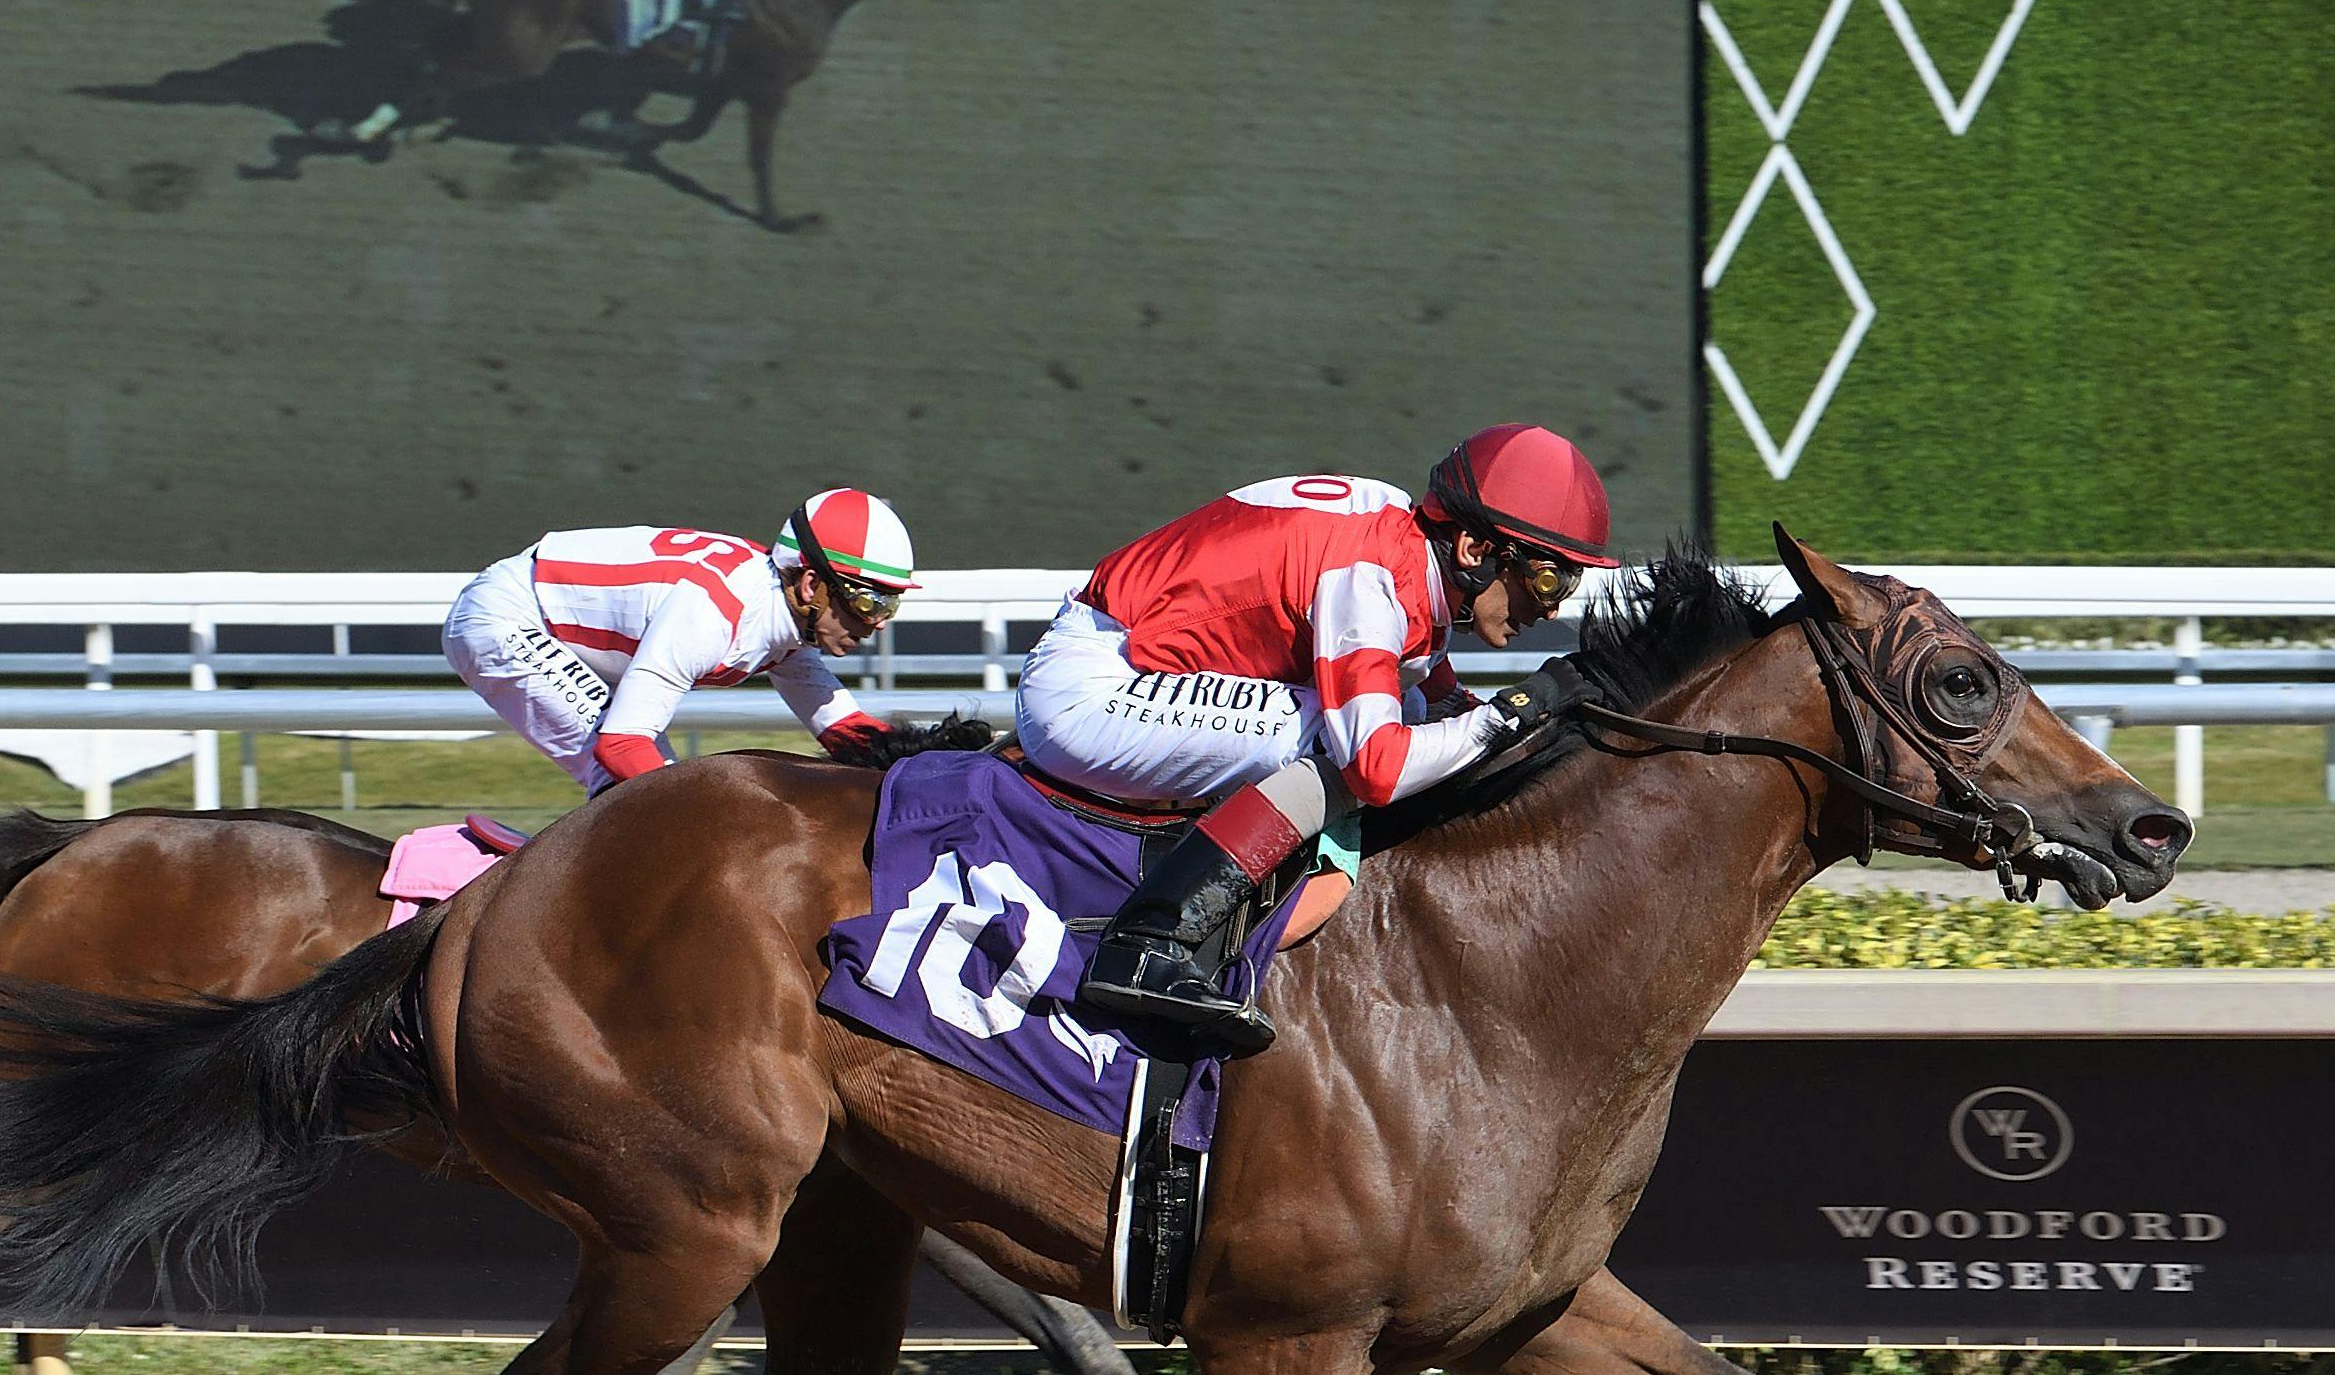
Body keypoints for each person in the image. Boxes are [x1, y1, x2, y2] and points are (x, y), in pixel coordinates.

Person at [1013, 426, 1620, 1054]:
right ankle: (1144, 943)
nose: (1551, 609)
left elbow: (1429, 688)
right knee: (1335, 744)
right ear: (1474, 548)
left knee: (1398, 718)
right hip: (1090, 686)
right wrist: (1518, 709)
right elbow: (1377, 769)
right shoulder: (1371, 577)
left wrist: (1521, 728)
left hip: (1132, 656)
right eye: (1550, 580)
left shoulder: (1406, 549)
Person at [442, 489, 914, 795]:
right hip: (506, 616)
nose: (877, 624)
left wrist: (931, 762)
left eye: (890, 606)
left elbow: (841, 728)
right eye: (869, 602)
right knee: (637, 785)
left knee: (655, 787)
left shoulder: (783, 622)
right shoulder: (713, 617)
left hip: (558, 618)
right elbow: (622, 746)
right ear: (811, 586)